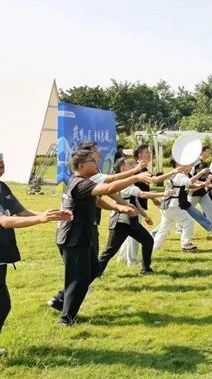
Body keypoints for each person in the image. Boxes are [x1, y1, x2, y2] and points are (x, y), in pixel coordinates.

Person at [55, 149, 151, 326]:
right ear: (82, 166)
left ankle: (65, 305)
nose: (96, 162)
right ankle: (66, 318)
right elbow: (110, 188)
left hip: (85, 236)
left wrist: (118, 207)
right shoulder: (80, 184)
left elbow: (98, 200)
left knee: (92, 272)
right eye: (92, 160)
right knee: (78, 278)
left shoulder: (86, 182)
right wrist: (135, 177)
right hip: (73, 239)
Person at [0, 153, 72, 354]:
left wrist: (47, 216)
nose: (1, 165)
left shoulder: (2, 187)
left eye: (2, 161)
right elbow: (5, 221)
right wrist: (41, 219)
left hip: (2, 254)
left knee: (3, 304)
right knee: (3, 304)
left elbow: (21, 212)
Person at [98, 158, 171, 275]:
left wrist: (145, 216)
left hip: (132, 222)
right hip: (120, 223)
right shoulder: (122, 184)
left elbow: (134, 202)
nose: (133, 167)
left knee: (148, 241)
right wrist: (163, 193)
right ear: (122, 168)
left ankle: (146, 269)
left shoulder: (127, 182)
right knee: (110, 251)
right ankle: (94, 273)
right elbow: (142, 194)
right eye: (129, 165)